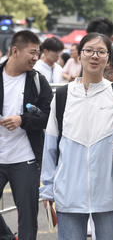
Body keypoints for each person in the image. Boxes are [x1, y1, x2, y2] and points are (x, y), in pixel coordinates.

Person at [40, 33, 113, 240]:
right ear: (79, 56)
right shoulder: (62, 95)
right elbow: (51, 145)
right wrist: (48, 188)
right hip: (68, 192)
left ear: (108, 57)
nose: (94, 56)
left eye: (101, 52)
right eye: (89, 50)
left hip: (110, 192)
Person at [0, 30, 53, 240]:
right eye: (32, 52)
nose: (35, 58)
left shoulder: (38, 81)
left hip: (26, 160)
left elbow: (48, 117)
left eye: (37, 53)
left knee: (28, 219)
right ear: (15, 50)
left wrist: (23, 120)